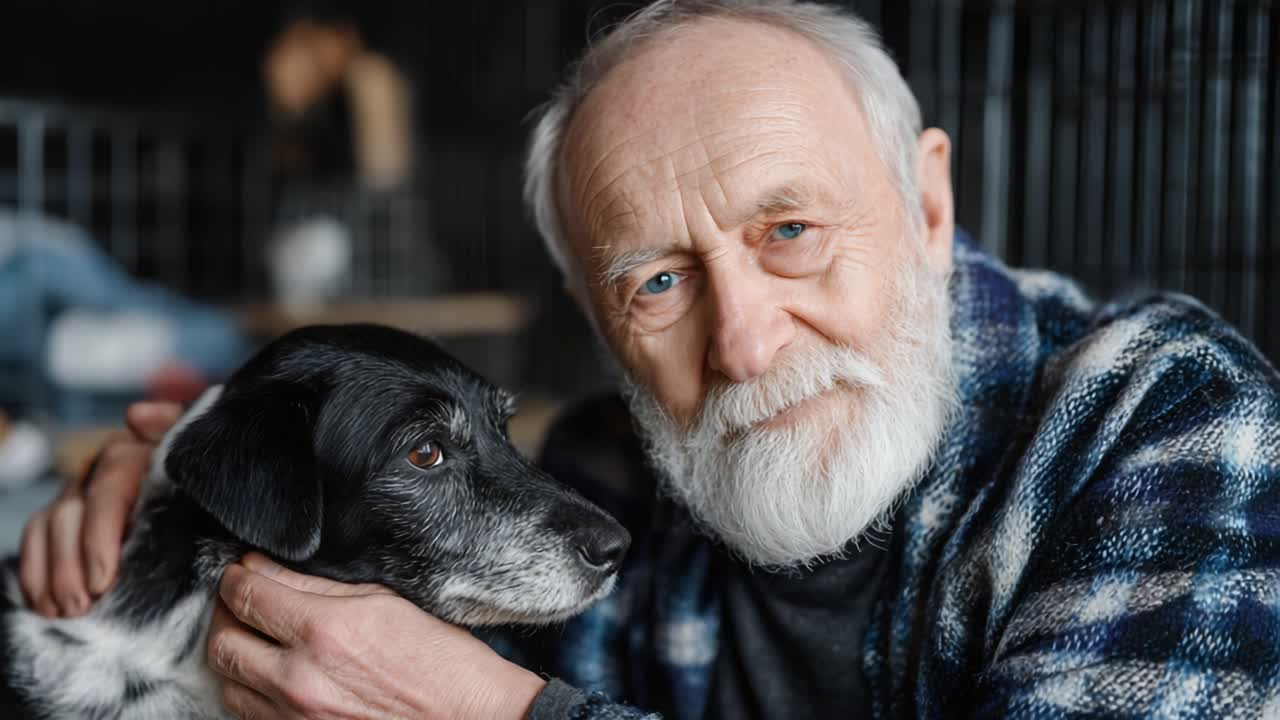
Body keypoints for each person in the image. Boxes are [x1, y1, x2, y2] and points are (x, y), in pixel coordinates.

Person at [18, 1, 1280, 718]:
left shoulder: (1166, 425)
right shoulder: (604, 479)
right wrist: (163, 510)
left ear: (928, 207)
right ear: (594, 308)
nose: (741, 341)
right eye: (658, 282)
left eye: (787, 231)